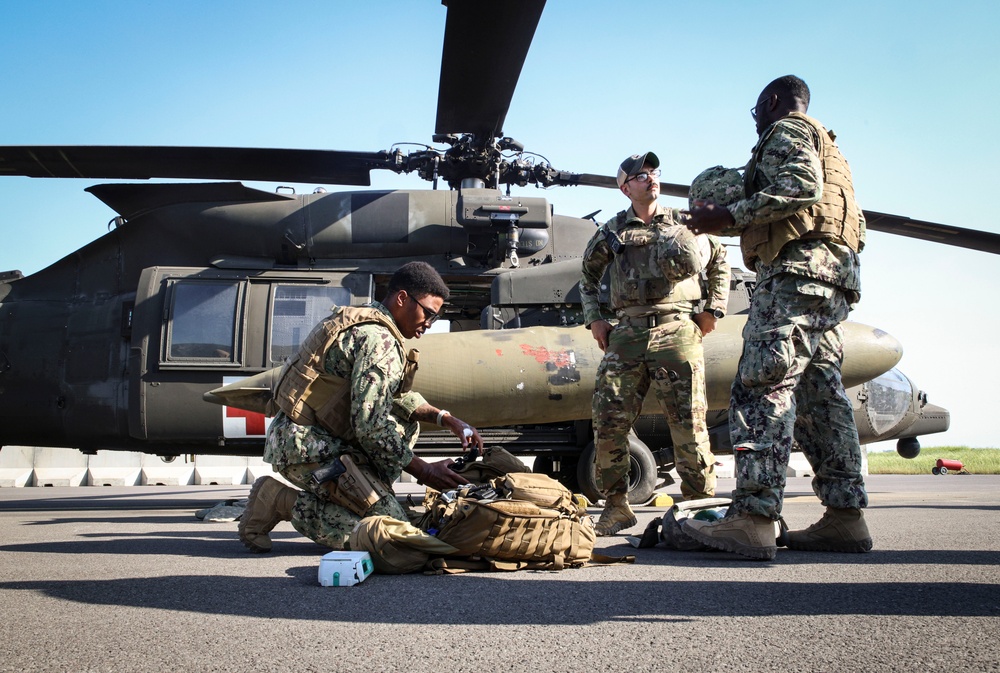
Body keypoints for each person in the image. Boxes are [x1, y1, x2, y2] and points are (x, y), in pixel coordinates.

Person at [685, 75, 871, 560]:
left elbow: (800, 188)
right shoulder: (832, 147)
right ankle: (845, 518)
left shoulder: (787, 128)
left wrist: (729, 216)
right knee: (819, 394)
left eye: (755, 113)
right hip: (832, 279)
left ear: (770, 102)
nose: (755, 123)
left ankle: (753, 518)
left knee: (762, 384)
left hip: (794, 274)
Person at [239, 261, 484, 553]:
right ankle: (278, 500)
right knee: (392, 538)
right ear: (403, 298)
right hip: (308, 449)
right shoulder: (378, 340)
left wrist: (446, 419)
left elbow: (393, 397)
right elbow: (372, 427)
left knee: (406, 431)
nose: (428, 325)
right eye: (428, 314)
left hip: (304, 439)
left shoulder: (365, 320)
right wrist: (425, 471)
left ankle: (369, 496)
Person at [580, 151, 731, 536]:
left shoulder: (685, 223)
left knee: (688, 423)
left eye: (654, 173)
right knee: (609, 420)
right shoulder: (612, 230)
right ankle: (616, 506)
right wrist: (595, 318)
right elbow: (587, 276)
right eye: (641, 175)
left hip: (677, 328)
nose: (651, 179)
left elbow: (720, 261)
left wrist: (713, 309)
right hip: (627, 333)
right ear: (625, 187)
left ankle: (699, 507)